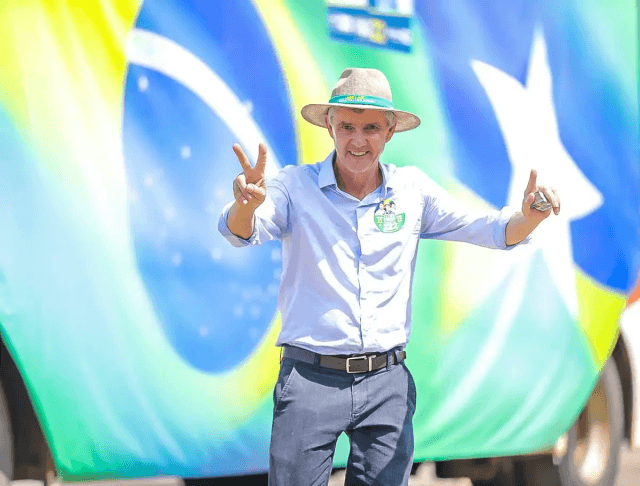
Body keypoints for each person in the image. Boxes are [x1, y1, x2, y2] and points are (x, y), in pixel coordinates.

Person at [218, 68, 560, 486]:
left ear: (390, 132)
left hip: (386, 382)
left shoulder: (412, 191)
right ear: (330, 126)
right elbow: (242, 231)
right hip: (310, 380)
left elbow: (489, 229)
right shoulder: (294, 186)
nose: (357, 140)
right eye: (347, 126)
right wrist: (245, 205)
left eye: (371, 128)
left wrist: (530, 217)